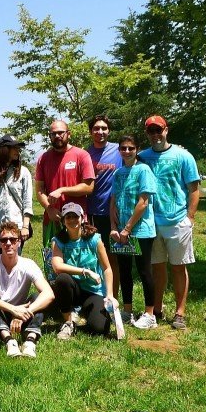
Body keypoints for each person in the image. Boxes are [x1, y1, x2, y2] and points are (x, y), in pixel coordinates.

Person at [137, 115, 200, 330]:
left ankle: (180, 313)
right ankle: (156, 308)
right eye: (151, 131)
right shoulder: (142, 157)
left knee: (178, 267)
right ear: (147, 133)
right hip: (150, 222)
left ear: (166, 130)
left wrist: (190, 218)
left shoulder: (183, 156)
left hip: (177, 221)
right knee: (157, 268)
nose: (155, 134)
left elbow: (194, 189)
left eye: (159, 130)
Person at [0, 221, 54, 358]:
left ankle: (30, 341)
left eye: (12, 240)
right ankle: (9, 341)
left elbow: (49, 294)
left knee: (37, 298)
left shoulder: (28, 264)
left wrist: (25, 312)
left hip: (22, 314)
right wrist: (13, 310)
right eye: (4, 240)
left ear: (19, 242)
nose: (8, 243)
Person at [35, 119, 95, 278]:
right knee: (52, 267)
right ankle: (54, 292)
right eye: (53, 133)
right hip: (52, 221)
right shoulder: (43, 158)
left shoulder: (81, 155)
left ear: (69, 134)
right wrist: (49, 208)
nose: (57, 136)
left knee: (80, 264)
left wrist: (62, 190)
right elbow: (39, 189)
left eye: (61, 132)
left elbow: (89, 187)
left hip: (77, 220)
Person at [109, 134, 158, 329]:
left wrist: (127, 228)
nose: (127, 151)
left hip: (141, 231)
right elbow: (113, 201)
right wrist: (114, 228)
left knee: (145, 271)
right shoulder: (118, 173)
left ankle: (150, 314)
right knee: (124, 271)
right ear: (119, 150)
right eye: (123, 148)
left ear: (137, 149)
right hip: (121, 232)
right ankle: (127, 311)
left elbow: (143, 202)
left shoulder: (143, 170)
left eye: (131, 148)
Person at [49, 203, 117, 340]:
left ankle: (81, 315)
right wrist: (85, 271)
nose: (72, 220)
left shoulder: (94, 239)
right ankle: (68, 322)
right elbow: (57, 266)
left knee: (100, 329)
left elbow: (107, 268)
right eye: (68, 217)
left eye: (75, 216)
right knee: (63, 279)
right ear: (63, 220)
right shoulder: (58, 241)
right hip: (71, 290)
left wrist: (110, 295)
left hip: (93, 291)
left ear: (82, 218)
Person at [86, 114, 122, 293]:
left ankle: (113, 297)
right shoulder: (85, 154)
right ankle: (97, 294)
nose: (100, 131)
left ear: (109, 131)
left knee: (114, 257)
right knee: (95, 256)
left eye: (104, 128)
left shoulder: (119, 150)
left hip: (115, 213)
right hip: (92, 212)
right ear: (90, 131)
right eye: (96, 128)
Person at [0, 135, 33, 254]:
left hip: (17, 225)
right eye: (13, 148)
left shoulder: (23, 172)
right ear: (4, 150)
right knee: (0, 258)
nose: (17, 151)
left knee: (14, 258)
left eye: (18, 148)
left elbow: (27, 201)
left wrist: (25, 226)